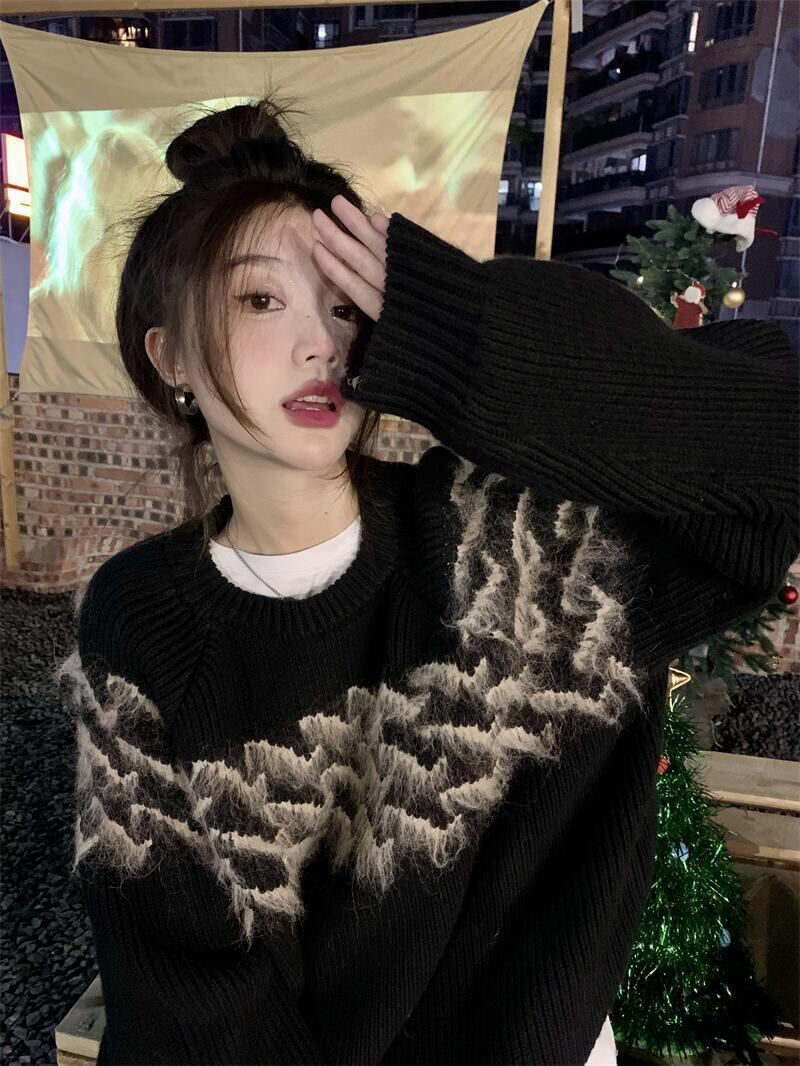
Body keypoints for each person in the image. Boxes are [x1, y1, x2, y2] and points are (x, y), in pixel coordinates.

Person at [55, 92, 799, 1066]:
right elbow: (189, 993)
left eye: (343, 303)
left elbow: (773, 456)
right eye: (260, 300)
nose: (320, 342)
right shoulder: (143, 617)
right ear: (171, 357)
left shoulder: (512, 549)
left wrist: (472, 337)